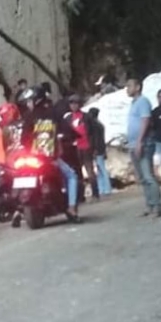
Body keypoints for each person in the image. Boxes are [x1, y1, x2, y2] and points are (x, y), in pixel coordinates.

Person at [18, 85, 79, 223]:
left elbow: (23, 139)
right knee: (72, 176)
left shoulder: (28, 117)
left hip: (32, 157)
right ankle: (72, 208)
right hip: (50, 157)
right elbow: (66, 129)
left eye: (29, 101)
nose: (28, 104)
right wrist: (74, 135)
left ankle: (18, 210)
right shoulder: (53, 113)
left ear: (36, 100)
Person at [126, 78, 161, 217]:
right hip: (133, 144)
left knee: (148, 175)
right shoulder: (134, 103)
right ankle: (149, 205)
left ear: (138, 87)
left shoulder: (143, 102)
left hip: (144, 143)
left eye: (129, 85)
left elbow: (145, 120)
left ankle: (157, 206)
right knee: (142, 177)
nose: (127, 88)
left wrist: (140, 141)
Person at [67, 95, 98, 200]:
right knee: (77, 172)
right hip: (75, 148)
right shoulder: (68, 118)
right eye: (71, 103)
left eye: (75, 103)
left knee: (90, 171)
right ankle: (80, 195)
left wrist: (95, 147)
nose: (73, 105)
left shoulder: (86, 117)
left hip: (86, 146)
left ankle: (95, 193)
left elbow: (93, 132)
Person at [87, 107, 113, 196]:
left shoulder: (94, 126)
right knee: (100, 168)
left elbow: (96, 139)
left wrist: (94, 149)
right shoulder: (100, 125)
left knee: (101, 168)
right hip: (101, 148)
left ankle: (106, 188)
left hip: (97, 149)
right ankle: (103, 188)